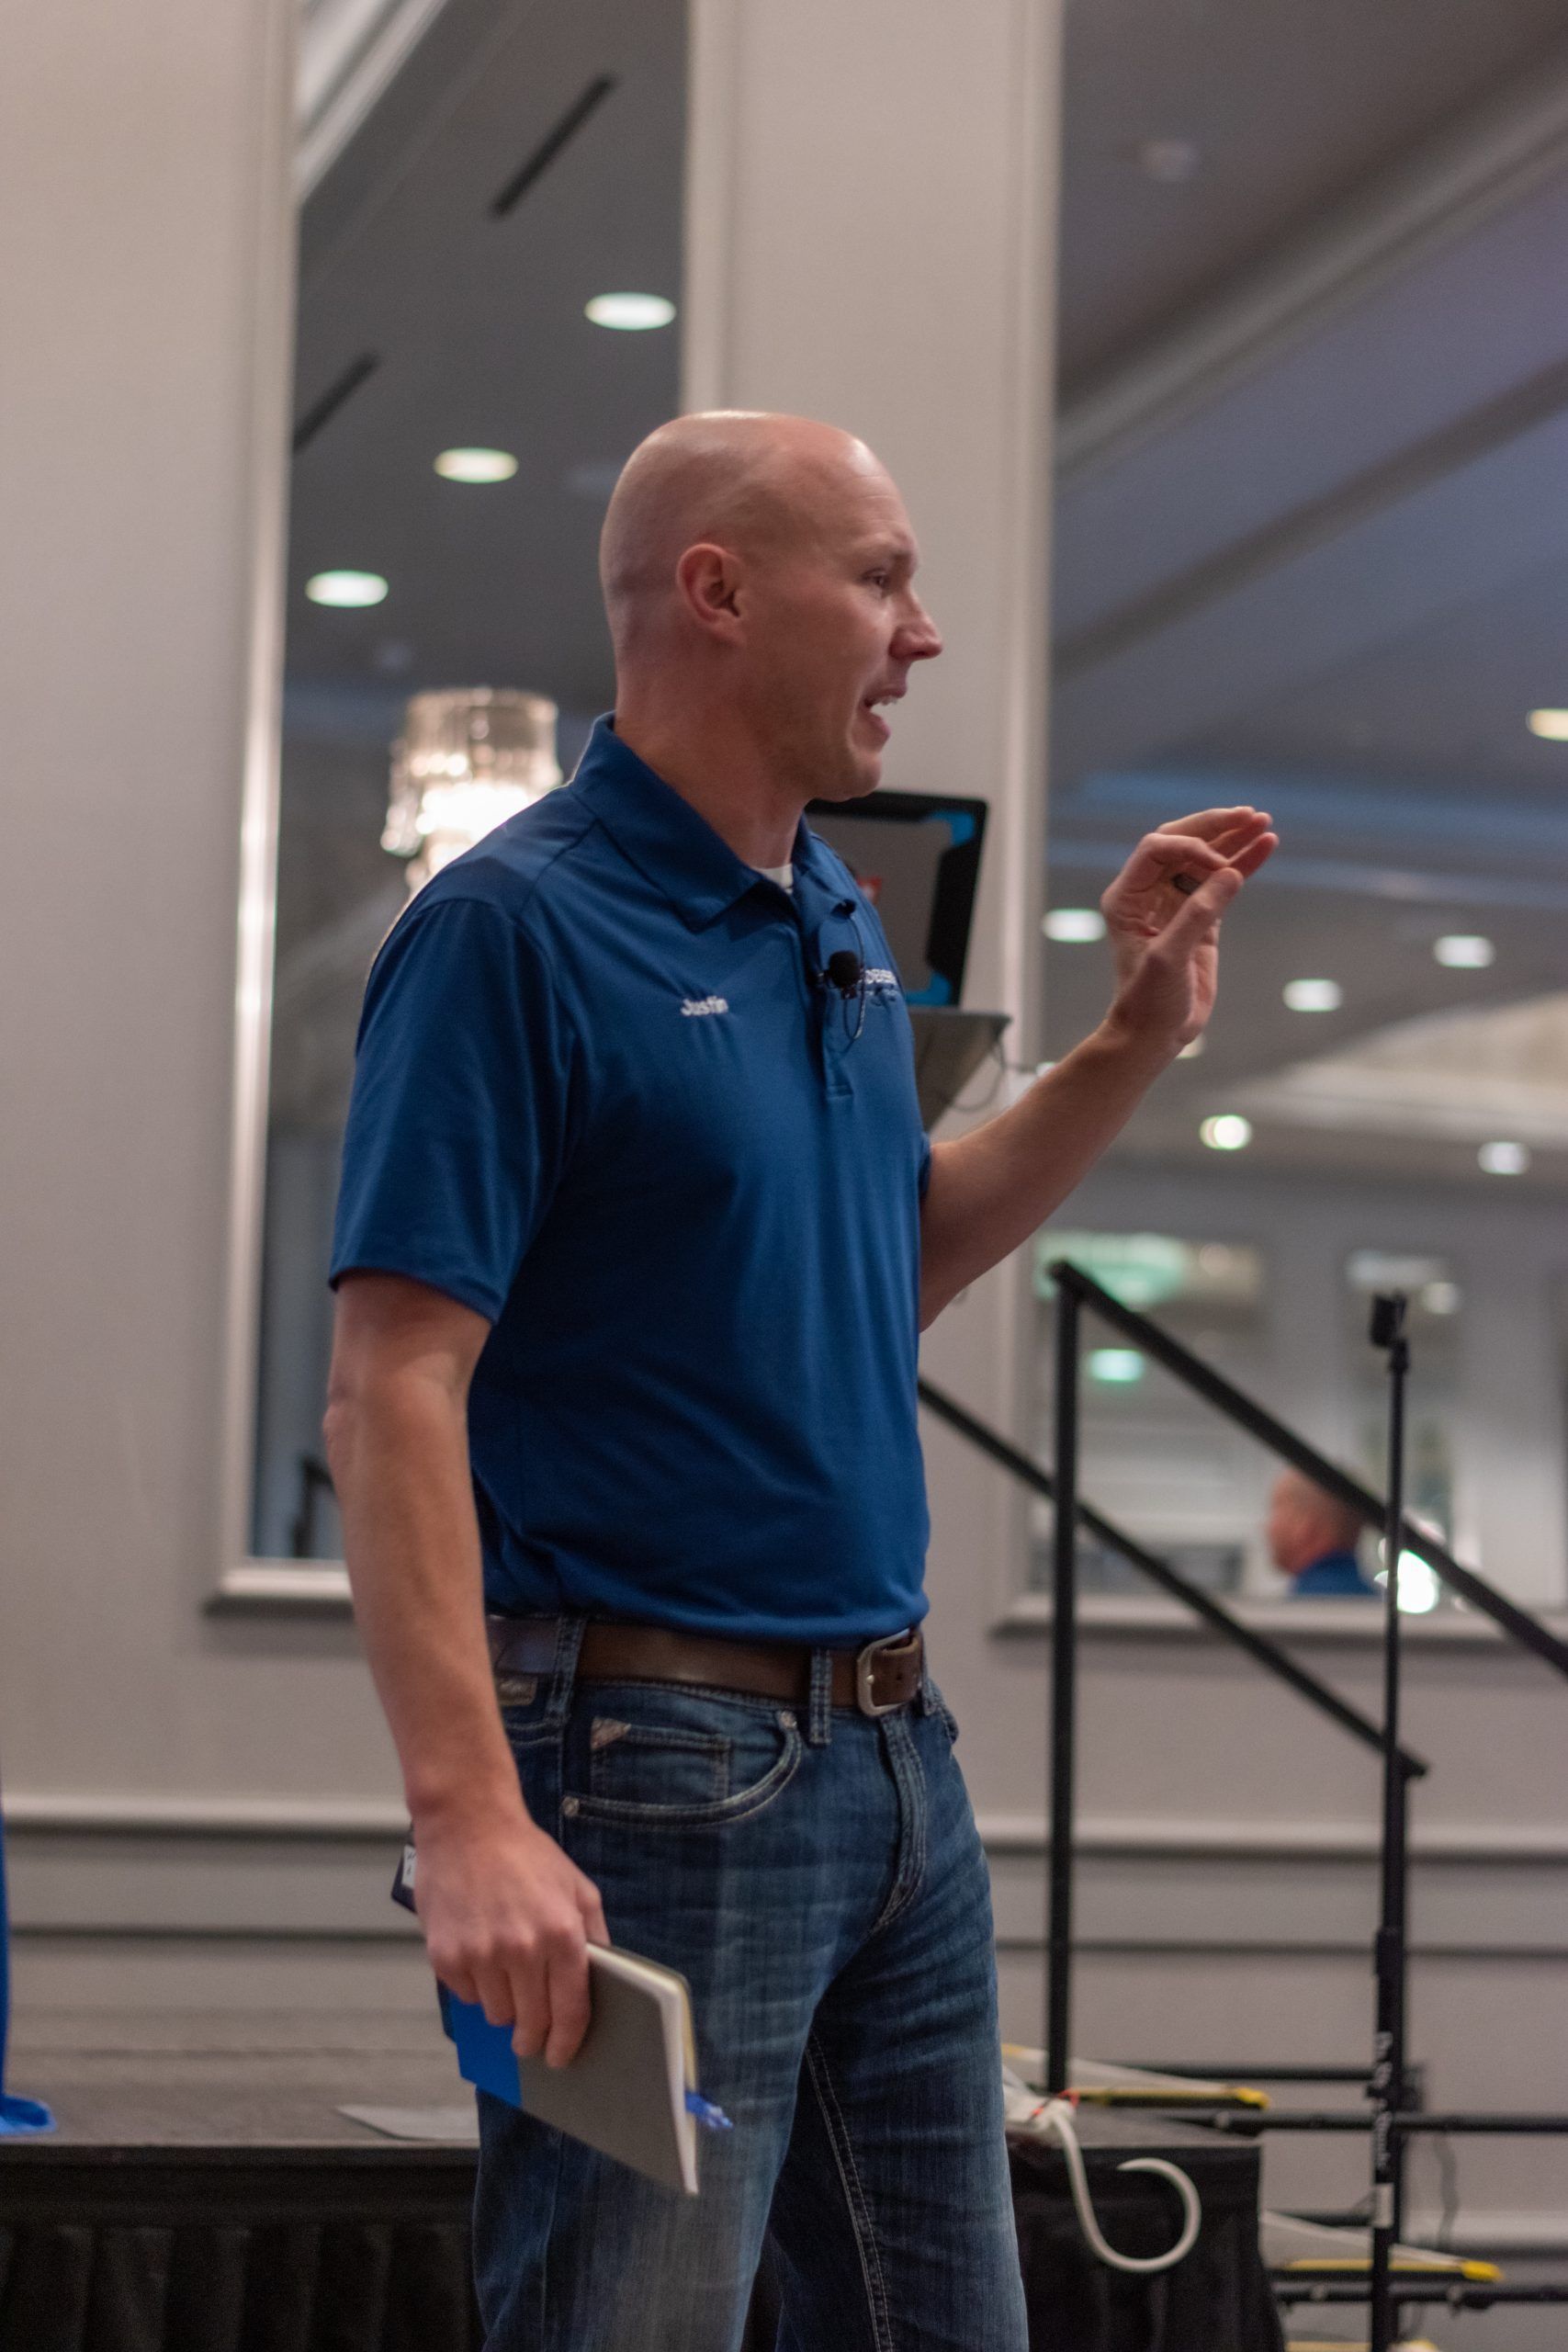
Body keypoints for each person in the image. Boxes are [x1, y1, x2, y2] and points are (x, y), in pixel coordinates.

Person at [322, 410, 1277, 2351]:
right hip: (654, 1773)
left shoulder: (834, 913)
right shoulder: (508, 927)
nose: (920, 633)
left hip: (894, 1762)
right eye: (881, 579)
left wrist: (1129, 1042)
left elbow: (882, 1266)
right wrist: (467, 1810)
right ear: (719, 592)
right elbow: (391, 1385)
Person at [1266, 1467, 1377, 1596]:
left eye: (1276, 1510)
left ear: (1303, 1523)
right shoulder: (1374, 1600)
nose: (1268, 1528)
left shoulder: (1306, 1602)